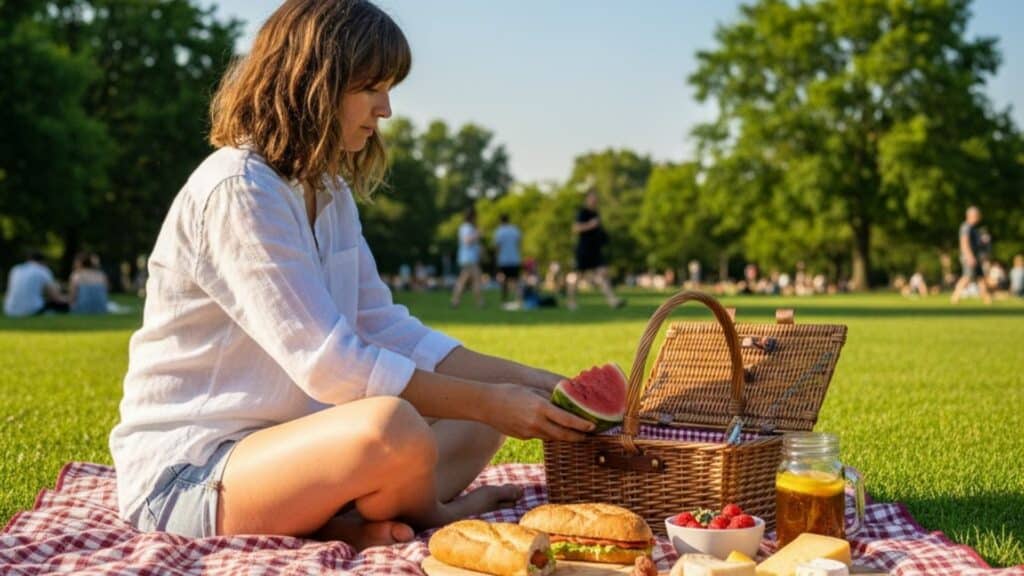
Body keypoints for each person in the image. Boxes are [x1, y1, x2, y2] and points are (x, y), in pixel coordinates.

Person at [108, 0, 593, 549]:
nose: (385, 108)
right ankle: (429, 512)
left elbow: (387, 327)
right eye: (370, 88)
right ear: (309, 85)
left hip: (301, 452)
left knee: (482, 413)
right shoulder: (240, 189)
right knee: (394, 426)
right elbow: (332, 365)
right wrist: (489, 400)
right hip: (194, 474)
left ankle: (354, 520)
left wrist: (542, 385)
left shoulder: (330, 192)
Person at [566, 190, 625, 310]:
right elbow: (576, 228)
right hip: (583, 250)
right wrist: (590, 225)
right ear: (587, 199)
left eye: (596, 198)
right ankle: (571, 301)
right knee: (577, 277)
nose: (594, 200)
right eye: (592, 198)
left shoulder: (596, 213)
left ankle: (612, 301)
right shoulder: (583, 212)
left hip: (595, 251)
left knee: (603, 274)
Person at [3, 251, 68, 317]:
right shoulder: (43, 270)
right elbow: (55, 297)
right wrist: (67, 299)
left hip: (10, 310)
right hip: (32, 310)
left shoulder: (15, 269)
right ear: (43, 261)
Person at [951, 206, 992, 304]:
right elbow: (964, 242)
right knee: (967, 277)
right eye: (977, 215)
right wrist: (969, 256)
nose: (978, 217)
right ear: (971, 215)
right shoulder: (966, 227)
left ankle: (987, 299)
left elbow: (976, 243)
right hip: (970, 257)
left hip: (975, 257)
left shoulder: (974, 228)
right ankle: (955, 297)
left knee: (980, 278)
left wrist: (983, 241)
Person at [449, 207, 484, 308]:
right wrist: (477, 234)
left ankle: (455, 301)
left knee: (463, 280)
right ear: (472, 216)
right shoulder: (467, 227)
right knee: (476, 279)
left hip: (467, 258)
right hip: (469, 258)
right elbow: (466, 241)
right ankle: (479, 302)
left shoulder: (467, 227)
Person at [492, 214, 523, 305]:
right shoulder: (515, 230)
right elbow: (519, 244)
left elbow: (497, 246)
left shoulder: (499, 231)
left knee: (503, 280)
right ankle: (519, 298)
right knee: (516, 280)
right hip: (514, 259)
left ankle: (504, 299)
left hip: (503, 260)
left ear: (500, 221)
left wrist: (496, 257)